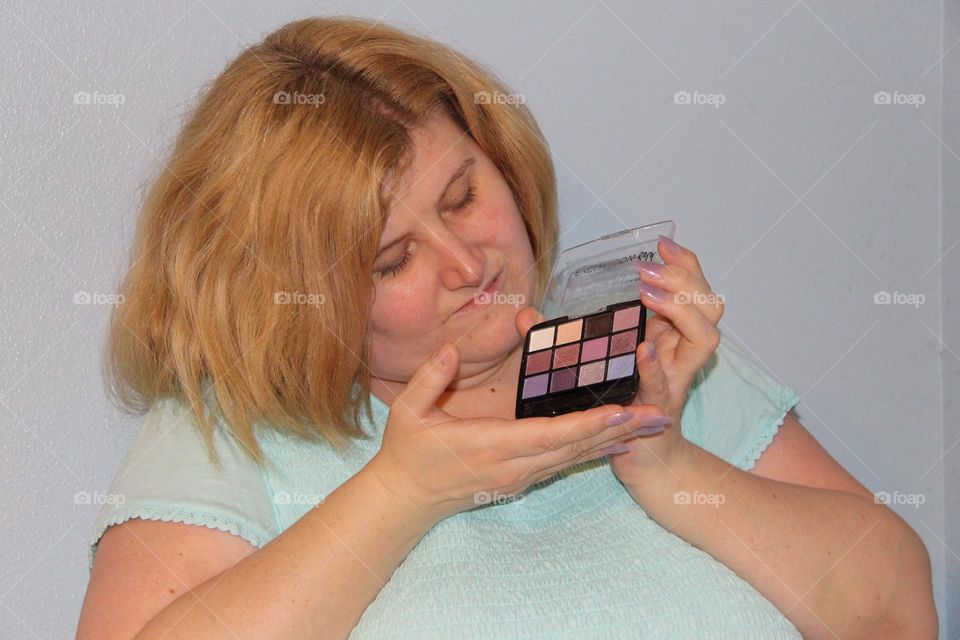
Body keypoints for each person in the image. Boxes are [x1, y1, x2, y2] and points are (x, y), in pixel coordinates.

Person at [76, 15, 936, 640]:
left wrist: (660, 456)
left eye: (464, 196)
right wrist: (400, 495)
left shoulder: (638, 349)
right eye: (391, 260)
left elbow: (894, 610)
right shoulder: (237, 429)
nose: (468, 261)